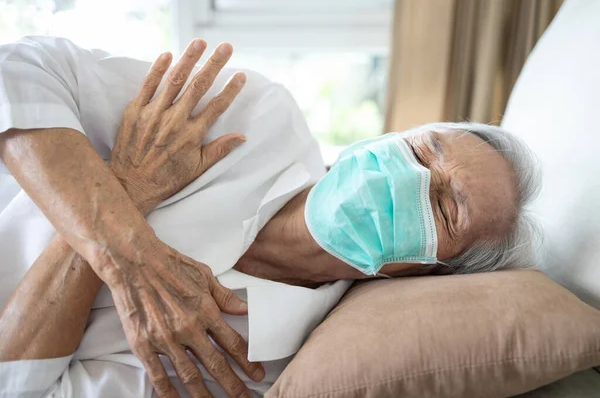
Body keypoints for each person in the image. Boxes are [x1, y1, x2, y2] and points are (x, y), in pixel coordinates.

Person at [0, 36, 540, 398]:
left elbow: (23, 387)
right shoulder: (256, 116)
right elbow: (19, 70)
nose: (411, 180)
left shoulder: (262, 358)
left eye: (446, 208)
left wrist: (124, 193)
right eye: (422, 152)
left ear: (430, 273)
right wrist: (128, 251)